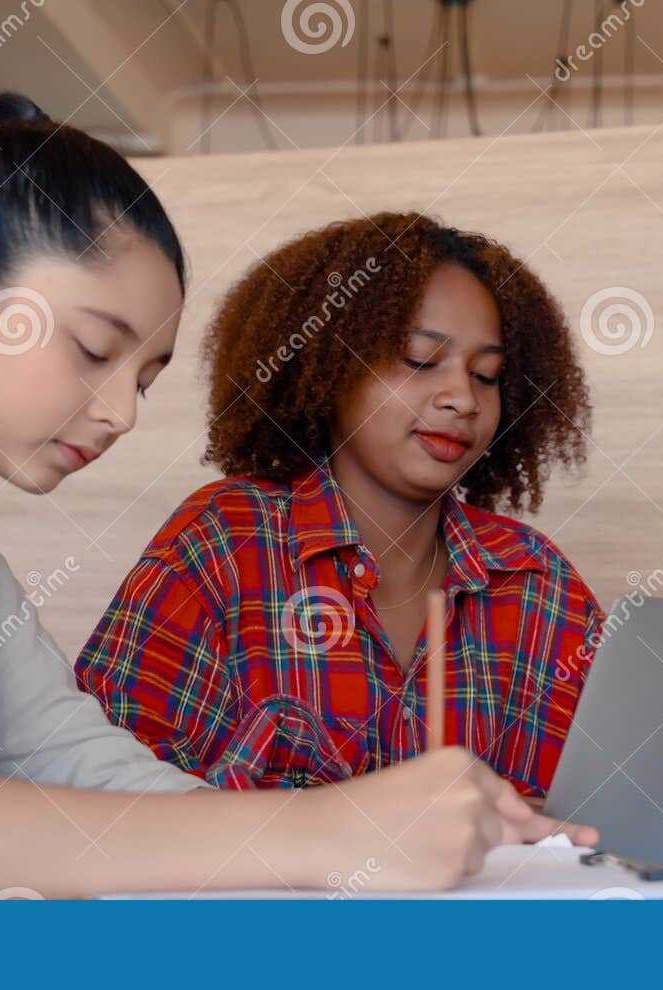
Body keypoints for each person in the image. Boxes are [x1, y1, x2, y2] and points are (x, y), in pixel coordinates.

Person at [0, 94, 594, 901]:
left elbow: (97, 776)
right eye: (94, 349)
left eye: (143, 379)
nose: (118, 414)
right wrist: (331, 831)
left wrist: (390, 839)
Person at [77, 212, 602, 801]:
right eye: (419, 360)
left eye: (487, 375)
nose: (462, 398)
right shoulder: (225, 543)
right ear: (327, 368)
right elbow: (108, 804)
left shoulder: (536, 582)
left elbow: (600, 812)